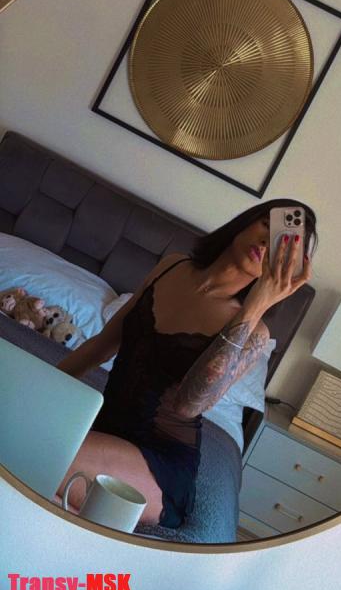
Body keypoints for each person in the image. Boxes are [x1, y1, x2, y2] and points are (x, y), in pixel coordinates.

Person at [56, 198, 317, 528]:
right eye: (266, 224)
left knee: (46, 451)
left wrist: (256, 306)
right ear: (245, 222)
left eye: (280, 243)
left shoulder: (254, 332)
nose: (266, 242)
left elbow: (189, 404)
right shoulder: (172, 266)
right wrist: (42, 383)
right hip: (102, 424)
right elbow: (101, 347)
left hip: (159, 463)